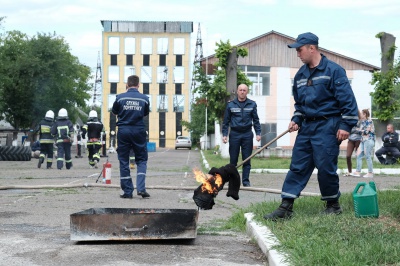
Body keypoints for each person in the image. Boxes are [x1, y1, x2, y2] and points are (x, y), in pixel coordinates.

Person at [263, 32, 359, 220]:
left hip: (328, 125)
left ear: (312, 48)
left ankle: (333, 205)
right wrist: (296, 119)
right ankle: (286, 207)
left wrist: (346, 125)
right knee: (298, 165)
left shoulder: (333, 70)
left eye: (299, 50)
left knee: (325, 167)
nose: (297, 54)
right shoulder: (300, 75)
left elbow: (347, 101)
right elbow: (300, 105)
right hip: (307, 127)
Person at [112, 75, 150, 199]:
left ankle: (128, 191)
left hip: (123, 131)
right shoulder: (144, 99)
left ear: (127, 85)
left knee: (123, 160)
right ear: (139, 85)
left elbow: (114, 111)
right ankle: (141, 188)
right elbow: (145, 113)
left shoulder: (119, 98)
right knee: (142, 159)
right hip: (139, 131)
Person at [222, 84, 261, 187]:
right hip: (234, 134)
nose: (242, 92)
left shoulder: (252, 104)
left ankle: (246, 181)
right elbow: (226, 122)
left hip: (247, 134)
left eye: (244, 90)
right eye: (240, 90)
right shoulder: (231, 105)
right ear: (237, 91)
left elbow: (256, 120)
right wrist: (225, 135)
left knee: (247, 159)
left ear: (247, 92)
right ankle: (233, 182)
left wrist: (258, 133)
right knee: (233, 160)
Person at [351, 109, 375, 178]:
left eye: (361, 113)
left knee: (367, 156)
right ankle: (358, 172)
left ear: (364, 114)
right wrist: (359, 130)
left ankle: (370, 173)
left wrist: (359, 130)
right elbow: (356, 130)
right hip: (363, 140)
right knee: (358, 155)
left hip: (368, 140)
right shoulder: (361, 122)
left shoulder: (369, 121)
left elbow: (366, 132)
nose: (360, 115)